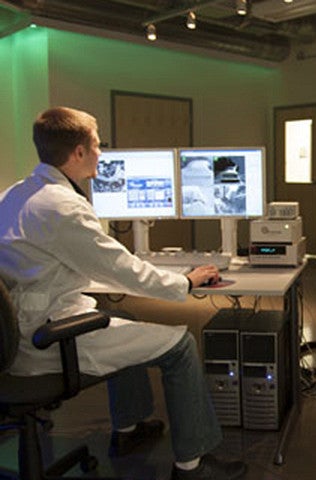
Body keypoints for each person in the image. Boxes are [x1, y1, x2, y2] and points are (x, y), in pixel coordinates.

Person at [0, 107, 246, 480]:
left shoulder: (13, 195)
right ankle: (192, 463)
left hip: (15, 334)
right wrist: (187, 282)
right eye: (97, 146)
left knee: (126, 320)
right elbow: (123, 269)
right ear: (78, 153)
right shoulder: (62, 207)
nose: (102, 154)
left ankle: (128, 429)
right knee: (180, 346)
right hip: (48, 340)